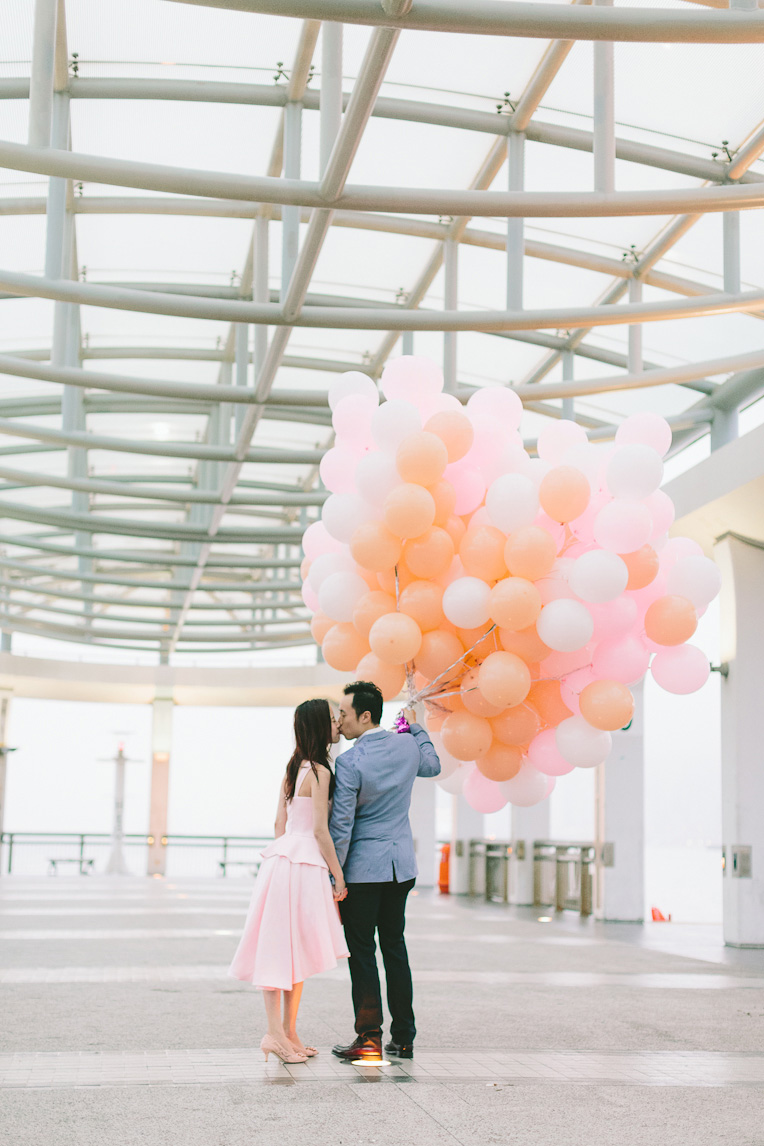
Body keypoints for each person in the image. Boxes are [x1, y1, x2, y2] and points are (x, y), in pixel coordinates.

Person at [229, 698, 349, 1064]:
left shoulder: (292, 767)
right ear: (319, 727)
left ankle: (287, 1032)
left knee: (283, 948)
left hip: (281, 861)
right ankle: (275, 1033)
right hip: (305, 862)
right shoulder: (321, 773)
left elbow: (279, 825)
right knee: (289, 949)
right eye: (331, 720)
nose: (336, 725)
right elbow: (319, 831)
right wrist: (339, 876)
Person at [329, 680, 441, 1062]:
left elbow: (342, 824)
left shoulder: (350, 762)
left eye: (344, 714)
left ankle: (369, 1038)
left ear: (364, 715)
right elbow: (433, 765)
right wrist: (416, 727)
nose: (339, 721)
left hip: (362, 871)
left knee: (362, 953)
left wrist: (335, 875)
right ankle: (404, 1037)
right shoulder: (408, 745)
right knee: (395, 948)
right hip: (401, 869)